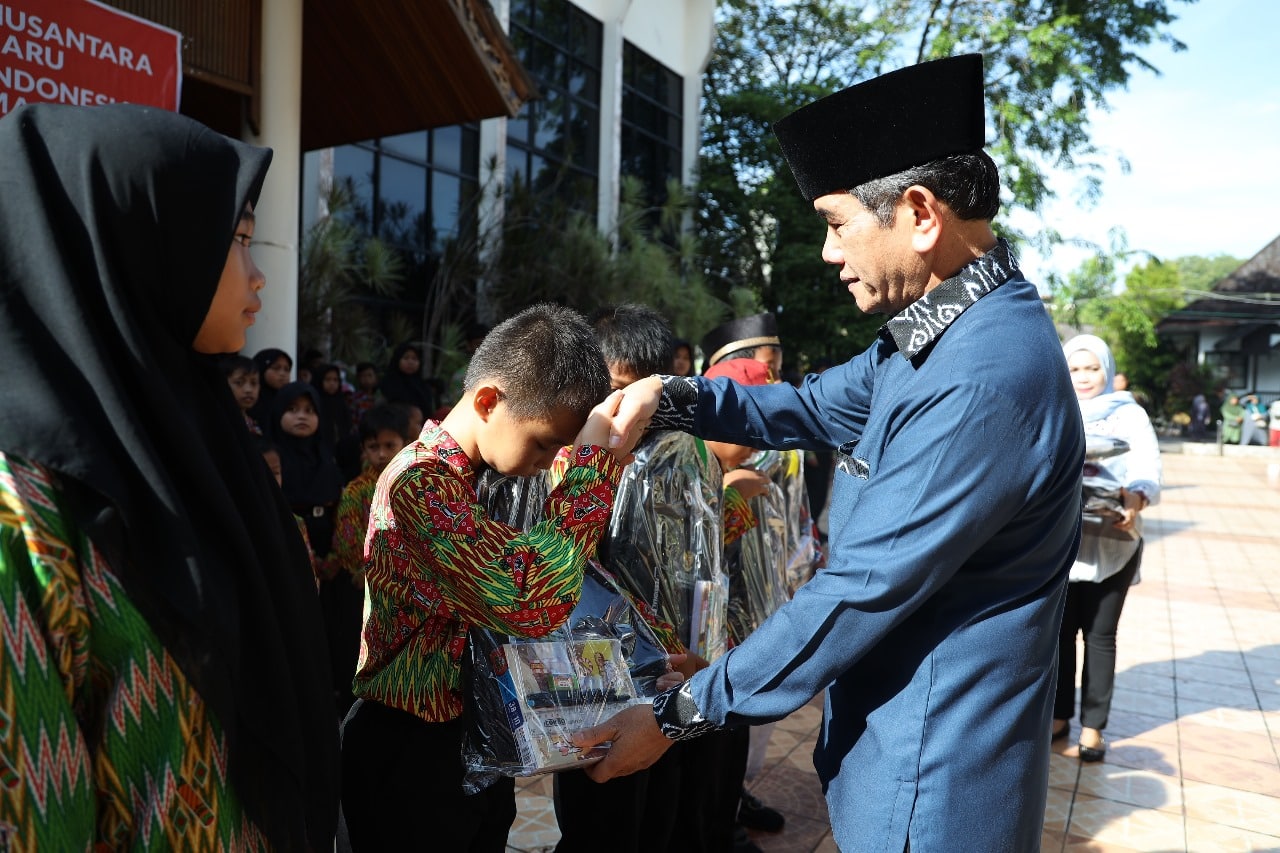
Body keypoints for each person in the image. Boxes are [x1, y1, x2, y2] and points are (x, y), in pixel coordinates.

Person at [571, 54, 1084, 852]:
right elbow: (811, 404)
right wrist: (667, 396)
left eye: (836, 222)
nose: (827, 252)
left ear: (918, 212)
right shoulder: (941, 326)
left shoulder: (984, 376)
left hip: (934, 781)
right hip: (900, 757)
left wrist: (678, 715)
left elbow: (859, 591)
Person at [0, 103, 337, 849]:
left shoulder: (195, 438)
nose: (255, 277)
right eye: (237, 240)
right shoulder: (21, 509)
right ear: (137, 246)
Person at [341, 304, 631, 852]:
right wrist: (593, 465)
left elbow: (572, 576)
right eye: (546, 442)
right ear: (488, 401)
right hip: (408, 750)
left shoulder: (483, 478)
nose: (549, 461)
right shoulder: (418, 484)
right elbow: (528, 599)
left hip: (464, 746)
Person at [1054, 335, 1161, 761]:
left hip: (1114, 541)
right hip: (1062, 547)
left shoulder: (1128, 415)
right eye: (1075, 368)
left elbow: (1146, 464)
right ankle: (1059, 716)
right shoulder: (1054, 406)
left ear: (1107, 370)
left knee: (1100, 637)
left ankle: (1093, 727)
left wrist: (1135, 501)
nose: (1082, 377)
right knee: (1060, 635)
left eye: (1091, 368)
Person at [379, 341, 435, 415]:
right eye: (406, 358)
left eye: (414, 359)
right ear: (397, 360)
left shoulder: (423, 386)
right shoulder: (388, 383)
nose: (410, 362)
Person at [221, 352, 264, 434]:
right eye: (239, 382)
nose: (248, 390)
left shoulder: (255, 422)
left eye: (254, 383)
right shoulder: (220, 421)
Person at [249, 346, 293, 426]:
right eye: (276, 368)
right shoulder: (249, 401)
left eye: (287, 369)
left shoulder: (291, 402)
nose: (282, 374)